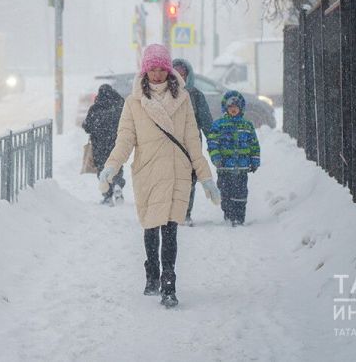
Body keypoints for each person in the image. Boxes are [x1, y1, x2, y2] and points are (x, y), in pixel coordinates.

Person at [98, 44, 221, 308]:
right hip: (148, 173)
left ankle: (169, 284)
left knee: (171, 229)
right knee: (151, 227)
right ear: (145, 70)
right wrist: (111, 165)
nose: (156, 74)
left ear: (167, 69)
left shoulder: (184, 99)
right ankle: (152, 273)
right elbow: (125, 139)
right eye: (151, 69)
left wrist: (205, 177)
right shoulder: (134, 103)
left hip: (177, 173)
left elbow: (191, 142)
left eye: (161, 69)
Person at [207, 90, 261, 227]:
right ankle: (229, 215)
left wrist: (254, 160)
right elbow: (212, 143)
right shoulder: (219, 125)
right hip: (224, 168)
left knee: (241, 194)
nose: (233, 110)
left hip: (242, 168)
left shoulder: (247, 126)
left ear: (241, 109)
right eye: (230, 107)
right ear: (225, 108)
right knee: (225, 193)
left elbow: (254, 144)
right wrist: (216, 157)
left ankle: (239, 217)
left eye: (236, 107)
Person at [172, 58, 213, 226]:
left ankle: (185, 213)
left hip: (192, 144)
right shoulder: (164, 94)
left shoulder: (195, 95)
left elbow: (206, 122)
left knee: (189, 178)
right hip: (170, 143)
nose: (180, 76)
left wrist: (214, 142)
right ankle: (171, 213)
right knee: (171, 178)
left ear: (188, 75)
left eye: (183, 73)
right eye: (176, 73)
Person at [82, 84, 126, 206]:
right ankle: (117, 183)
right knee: (116, 167)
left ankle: (107, 196)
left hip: (99, 146)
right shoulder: (119, 107)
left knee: (102, 170)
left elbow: (87, 127)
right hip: (116, 144)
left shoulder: (95, 109)